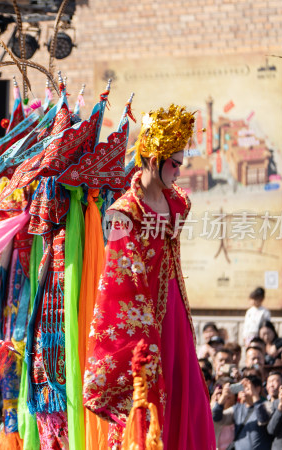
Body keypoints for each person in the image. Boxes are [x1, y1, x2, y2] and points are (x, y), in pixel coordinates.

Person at [84, 105, 215, 448]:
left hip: (174, 310)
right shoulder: (124, 212)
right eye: (174, 163)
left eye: (181, 163)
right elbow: (120, 279)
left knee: (187, 398)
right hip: (142, 320)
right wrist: (145, 337)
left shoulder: (178, 204)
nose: (178, 171)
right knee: (151, 396)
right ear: (154, 158)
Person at [213, 375, 271, 449]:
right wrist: (224, 396)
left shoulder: (266, 405)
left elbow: (263, 419)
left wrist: (254, 395)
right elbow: (217, 418)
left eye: (247, 388)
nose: (243, 391)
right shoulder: (237, 408)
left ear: (257, 389)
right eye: (241, 388)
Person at [210, 378, 237, 450]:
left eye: (229, 391)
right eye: (221, 392)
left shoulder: (239, 410)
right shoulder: (210, 411)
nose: (225, 394)